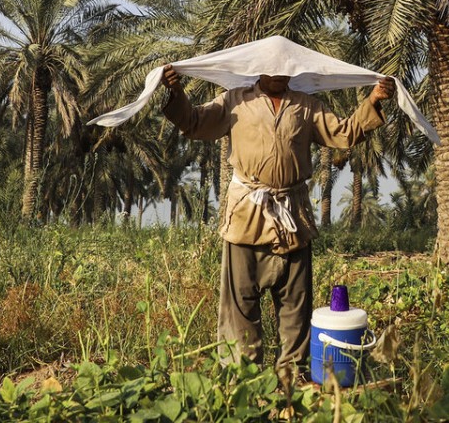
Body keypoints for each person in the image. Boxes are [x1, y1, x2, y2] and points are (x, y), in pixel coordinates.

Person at [159, 63, 394, 380]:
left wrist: (374, 100)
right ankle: (242, 378)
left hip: (292, 218)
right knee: (240, 304)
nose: (279, 74)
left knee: (295, 305)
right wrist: (175, 92)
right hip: (246, 218)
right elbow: (194, 122)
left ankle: (292, 376)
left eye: (285, 68)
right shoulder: (234, 101)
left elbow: (344, 133)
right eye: (272, 68)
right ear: (257, 68)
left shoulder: (305, 106)